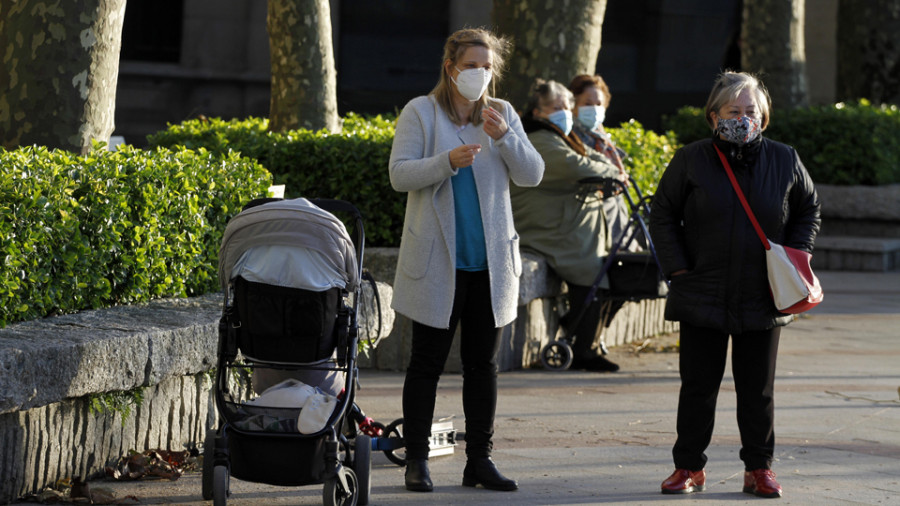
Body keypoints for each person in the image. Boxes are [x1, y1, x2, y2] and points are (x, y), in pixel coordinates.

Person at [650, 71, 820, 499]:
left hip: (763, 293)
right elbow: (663, 214)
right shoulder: (691, 159)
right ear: (714, 116)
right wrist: (678, 270)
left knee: (757, 389)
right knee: (697, 386)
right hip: (701, 288)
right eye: (733, 111)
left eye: (751, 112)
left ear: (763, 117)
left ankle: (759, 468)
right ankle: (688, 466)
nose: (742, 119)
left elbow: (808, 209)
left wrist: (794, 254)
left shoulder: (784, 159)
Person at [388, 28, 544, 493]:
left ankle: (480, 460)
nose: (479, 74)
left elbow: (532, 174)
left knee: (483, 366)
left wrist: (507, 138)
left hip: (491, 267)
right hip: (438, 264)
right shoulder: (421, 111)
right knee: (426, 364)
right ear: (450, 67)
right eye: (471, 65)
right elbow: (399, 174)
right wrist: (446, 161)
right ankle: (417, 459)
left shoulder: (503, 114)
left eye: (486, 66)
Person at [510, 79, 627, 373]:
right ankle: (583, 348)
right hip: (548, 227)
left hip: (564, 225)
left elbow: (591, 158)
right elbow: (579, 166)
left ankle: (583, 338)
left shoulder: (558, 135)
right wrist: (612, 172)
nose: (564, 112)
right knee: (590, 268)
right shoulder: (540, 139)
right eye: (556, 107)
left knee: (611, 269)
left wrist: (608, 170)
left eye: (566, 107)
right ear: (537, 112)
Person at [569, 74, 640, 253]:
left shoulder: (602, 139)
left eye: (599, 104)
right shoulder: (569, 137)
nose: (594, 109)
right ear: (573, 106)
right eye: (587, 103)